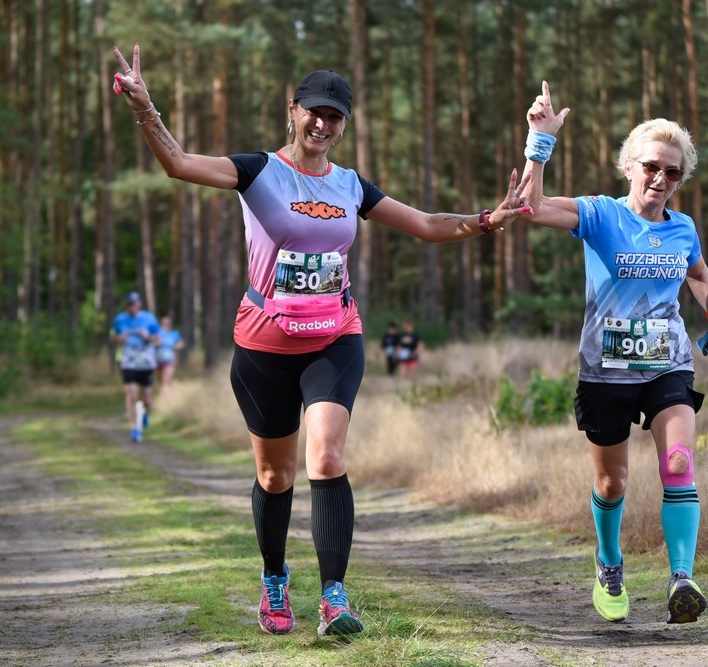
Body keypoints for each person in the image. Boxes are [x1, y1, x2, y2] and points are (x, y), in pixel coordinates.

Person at [112, 44, 531, 637]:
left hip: (334, 338)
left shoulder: (351, 186)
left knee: (327, 457)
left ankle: (334, 596)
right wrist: (144, 106)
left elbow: (426, 225)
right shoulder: (258, 171)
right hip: (264, 345)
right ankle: (274, 579)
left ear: (344, 125)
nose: (323, 124)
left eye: (335, 117)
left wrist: (487, 219)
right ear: (293, 111)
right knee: (275, 477)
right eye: (314, 112)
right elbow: (178, 164)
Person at [519, 81, 708, 624]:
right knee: (612, 483)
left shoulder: (682, 228)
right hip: (605, 372)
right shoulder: (600, 215)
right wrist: (539, 142)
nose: (660, 179)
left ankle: (681, 578)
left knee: (678, 463)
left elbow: (698, 274)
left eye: (673, 172)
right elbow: (532, 208)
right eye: (651, 167)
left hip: (667, 364)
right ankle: (609, 562)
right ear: (628, 167)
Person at [110, 291, 160, 442]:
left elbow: (158, 340)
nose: (132, 307)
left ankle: (144, 413)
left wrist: (148, 337)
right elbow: (112, 338)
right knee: (131, 395)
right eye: (129, 304)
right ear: (126, 305)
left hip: (146, 362)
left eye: (134, 304)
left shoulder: (149, 318)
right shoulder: (119, 319)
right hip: (128, 361)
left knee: (147, 399)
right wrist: (119, 339)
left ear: (139, 304)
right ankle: (135, 428)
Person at [155, 315, 185, 395]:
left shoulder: (174, 333)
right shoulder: (157, 333)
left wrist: (174, 346)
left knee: (165, 380)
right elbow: (152, 342)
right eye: (164, 323)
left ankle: (165, 396)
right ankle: (166, 393)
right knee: (160, 380)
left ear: (171, 324)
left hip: (170, 360)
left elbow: (181, 344)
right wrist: (157, 343)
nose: (166, 325)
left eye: (167, 323)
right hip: (158, 360)